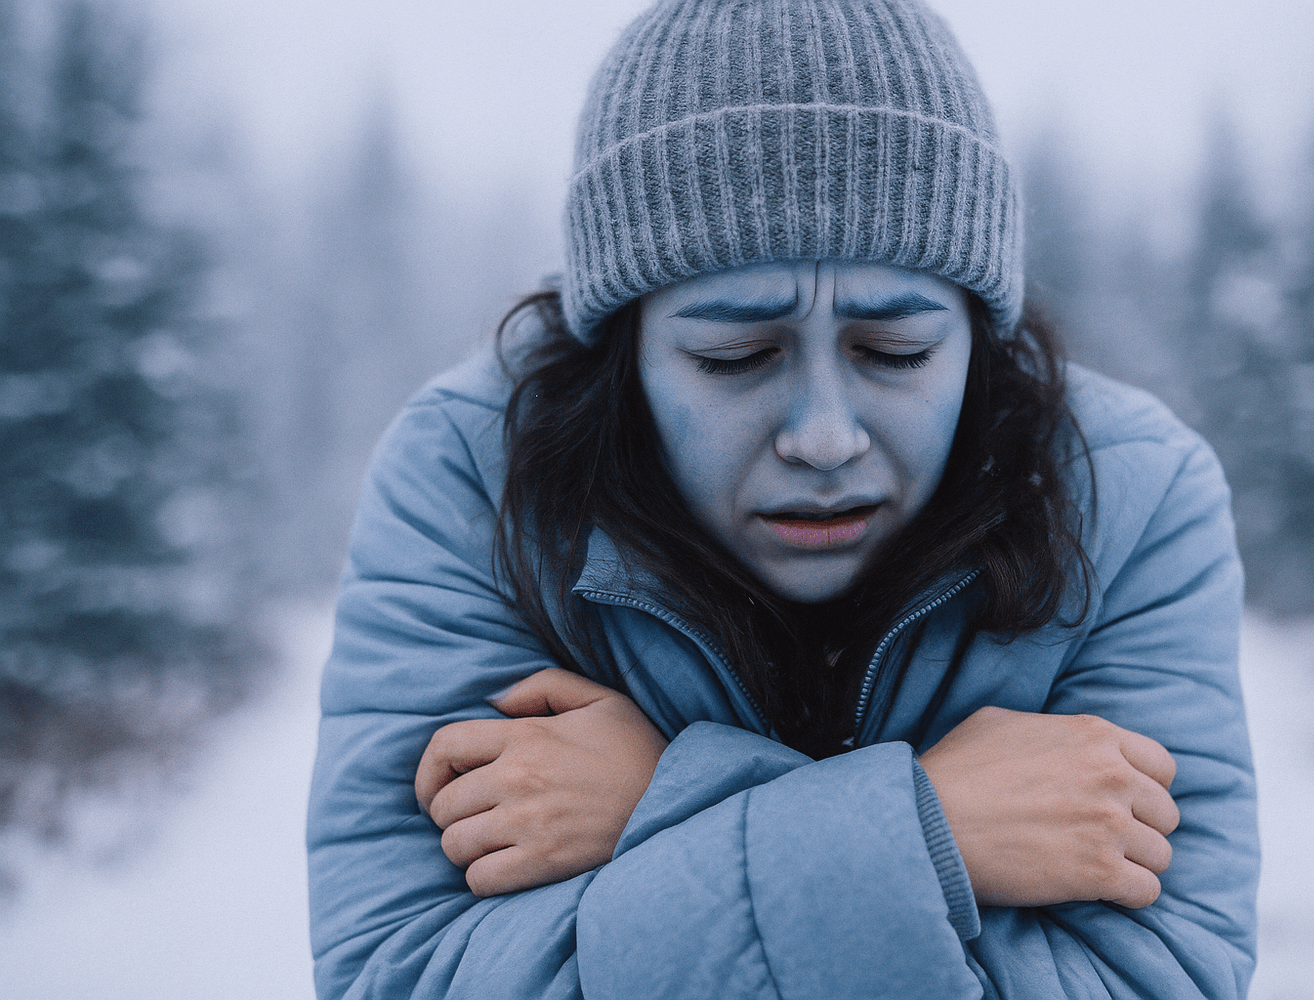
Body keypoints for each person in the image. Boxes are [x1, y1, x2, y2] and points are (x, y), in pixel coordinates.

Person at [306, 1, 1259, 998]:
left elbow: (1152, 981)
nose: (822, 436)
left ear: (980, 338)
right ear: (624, 350)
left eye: (895, 352)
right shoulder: (473, 475)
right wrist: (933, 827)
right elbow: (408, 974)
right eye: (737, 355)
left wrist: (662, 797)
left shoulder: (1131, 496)